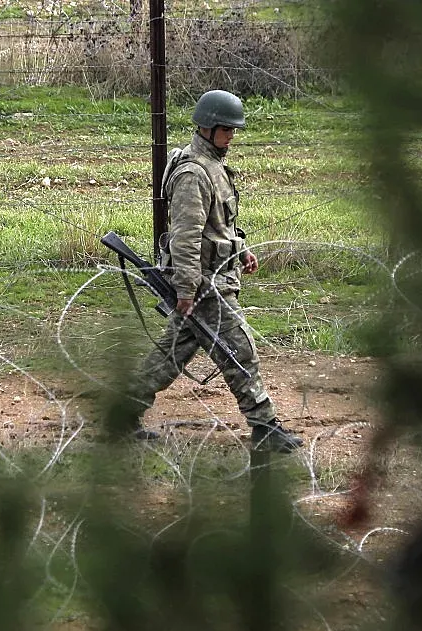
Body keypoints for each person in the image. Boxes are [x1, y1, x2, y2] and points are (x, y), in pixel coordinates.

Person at [130, 89, 304, 453]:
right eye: (226, 129)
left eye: (233, 129)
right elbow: (186, 238)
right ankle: (264, 426)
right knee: (240, 351)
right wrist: (187, 289)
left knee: (170, 354)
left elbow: (218, 227)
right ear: (207, 127)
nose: (231, 136)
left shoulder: (213, 167)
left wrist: (241, 250)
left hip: (213, 277)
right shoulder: (193, 173)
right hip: (205, 285)